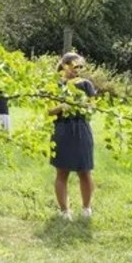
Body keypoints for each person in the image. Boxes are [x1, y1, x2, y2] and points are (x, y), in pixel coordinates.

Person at [49, 53, 97, 220]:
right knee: (62, 172)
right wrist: (63, 106)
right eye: (74, 66)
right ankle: (64, 211)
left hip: (81, 129)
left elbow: (93, 107)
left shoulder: (86, 84)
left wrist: (81, 106)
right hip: (62, 129)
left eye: (80, 67)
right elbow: (48, 110)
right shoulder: (55, 85)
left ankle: (86, 208)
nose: (77, 70)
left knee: (85, 170)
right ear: (64, 65)